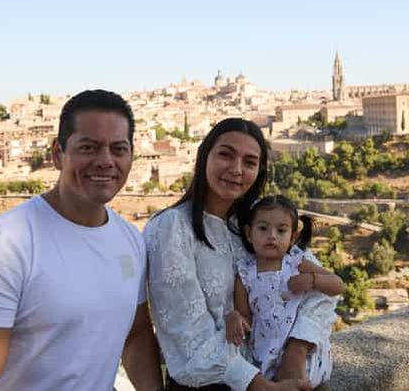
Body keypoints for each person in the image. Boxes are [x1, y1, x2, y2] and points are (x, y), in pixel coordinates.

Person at [0, 89, 163, 391]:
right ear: (58, 154)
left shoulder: (130, 240)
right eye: (88, 147)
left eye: (118, 149)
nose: (105, 161)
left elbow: (135, 334)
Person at [143, 118, 338, 391]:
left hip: (278, 373)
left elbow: (324, 289)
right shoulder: (171, 227)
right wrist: (260, 385)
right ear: (204, 156)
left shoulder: (259, 222)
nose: (236, 170)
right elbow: (187, 333)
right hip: (212, 385)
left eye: (249, 162)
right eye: (226, 155)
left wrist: (296, 350)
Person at [225, 195, 343, 389]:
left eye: (281, 230)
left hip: (306, 356)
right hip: (265, 358)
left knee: (300, 382)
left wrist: (313, 280)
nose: (272, 236)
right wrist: (234, 318)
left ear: (292, 237)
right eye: (263, 228)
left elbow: (338, 285)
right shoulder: (245, 274)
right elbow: (245, 319)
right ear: (249, 233)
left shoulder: (296, 262)